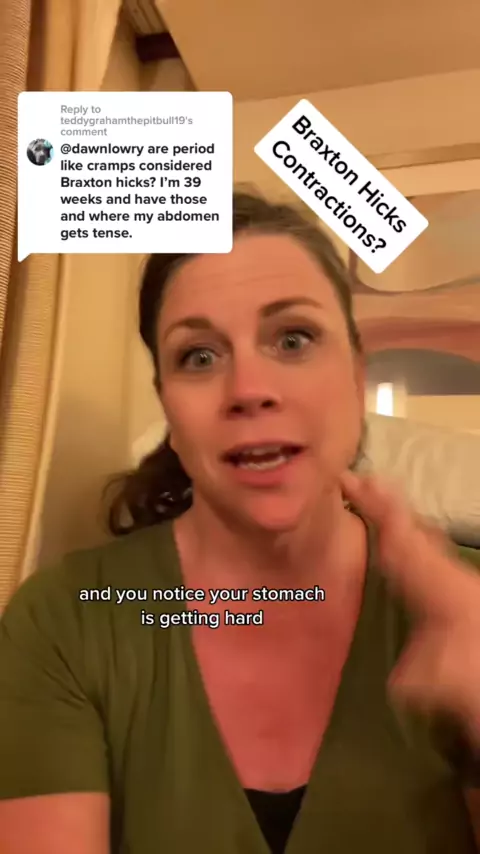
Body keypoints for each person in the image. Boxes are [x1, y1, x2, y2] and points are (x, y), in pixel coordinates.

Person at [0, 190, 479, 854]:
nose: (249, 389)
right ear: (169, 409)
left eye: (293, 339)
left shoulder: (464, 602)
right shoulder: (67, 619)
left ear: (356, 374)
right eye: (199, 356)